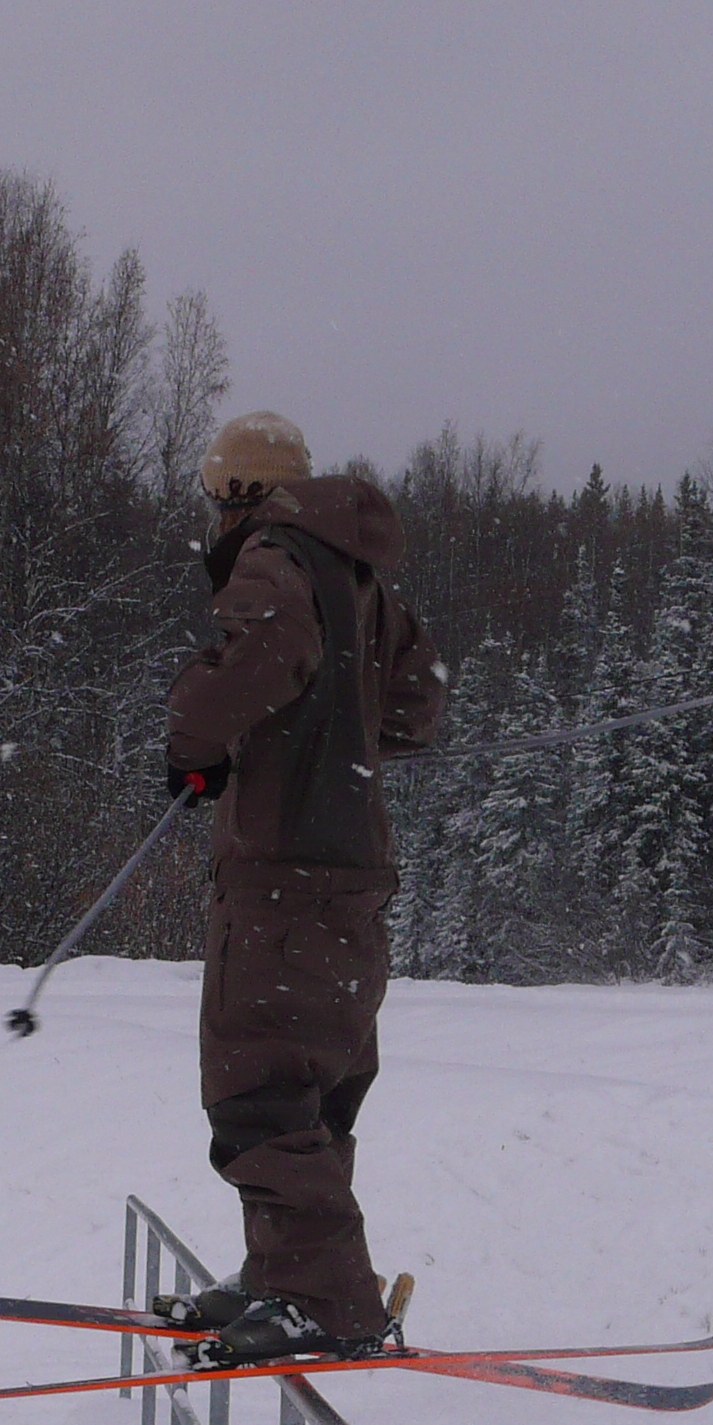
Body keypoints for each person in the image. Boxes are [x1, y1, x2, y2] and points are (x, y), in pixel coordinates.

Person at [160, 411, 449, 1366]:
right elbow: (419, 702)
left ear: (233, 493)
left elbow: (253, 660)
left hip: (284, 876)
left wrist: (200, 742)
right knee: (315, 1094)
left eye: (213, 495)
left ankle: (329, 1305)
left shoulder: (275, 557)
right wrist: (342, 743)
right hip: (351, 875)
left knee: (259, 1094)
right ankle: (287, 1273)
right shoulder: (358, 575)